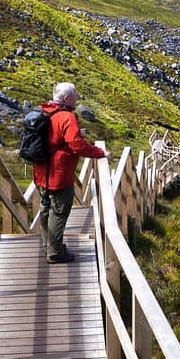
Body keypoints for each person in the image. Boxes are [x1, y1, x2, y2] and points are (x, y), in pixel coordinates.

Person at [33, 82, 109, 264]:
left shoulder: (44, 111)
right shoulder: (66, 117)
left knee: (45, 208)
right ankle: (55, 252)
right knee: (59, 212)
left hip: (41, 172)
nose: (77, 98)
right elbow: (76, 144)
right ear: (66, 98)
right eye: (74, 95)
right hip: (59, 175)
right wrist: (99, 153)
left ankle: (48, 244)